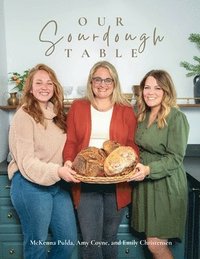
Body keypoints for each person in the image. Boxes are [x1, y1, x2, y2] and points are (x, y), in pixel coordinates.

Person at [63, 60, 139, 259]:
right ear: (91, 82)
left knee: (109, 238)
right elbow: (70, 141)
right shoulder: (78, 107)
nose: (102, 84)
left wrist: (131, 165)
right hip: (86, 179)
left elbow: (132, 144)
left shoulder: (125, 109)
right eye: (97, 79)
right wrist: (68, 162)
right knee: (90, 241)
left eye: (108, 80)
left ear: (115, 83)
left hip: (117, 182)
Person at [8, 63, 80, 259]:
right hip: (29, 185)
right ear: (30, 88)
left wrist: (67, 164)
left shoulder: (57, 114)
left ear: (55, 87)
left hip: (57, 185)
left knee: (67, 241)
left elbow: (65, 148)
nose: (44, 87)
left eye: (49, 83)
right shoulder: (24, 115)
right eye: (38, 82)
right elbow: (27, 162)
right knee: (36, 245)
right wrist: (58, 171)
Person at [130, 69, 189, 259]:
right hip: (145, 185)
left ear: (166, 91)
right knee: (151, 242)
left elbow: (175, 157)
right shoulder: (143, 115)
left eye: (157, 87)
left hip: (166, 184)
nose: (150, 92)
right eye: (147, 87)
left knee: (155, 244)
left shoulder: (176, 118)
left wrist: (148, 169)